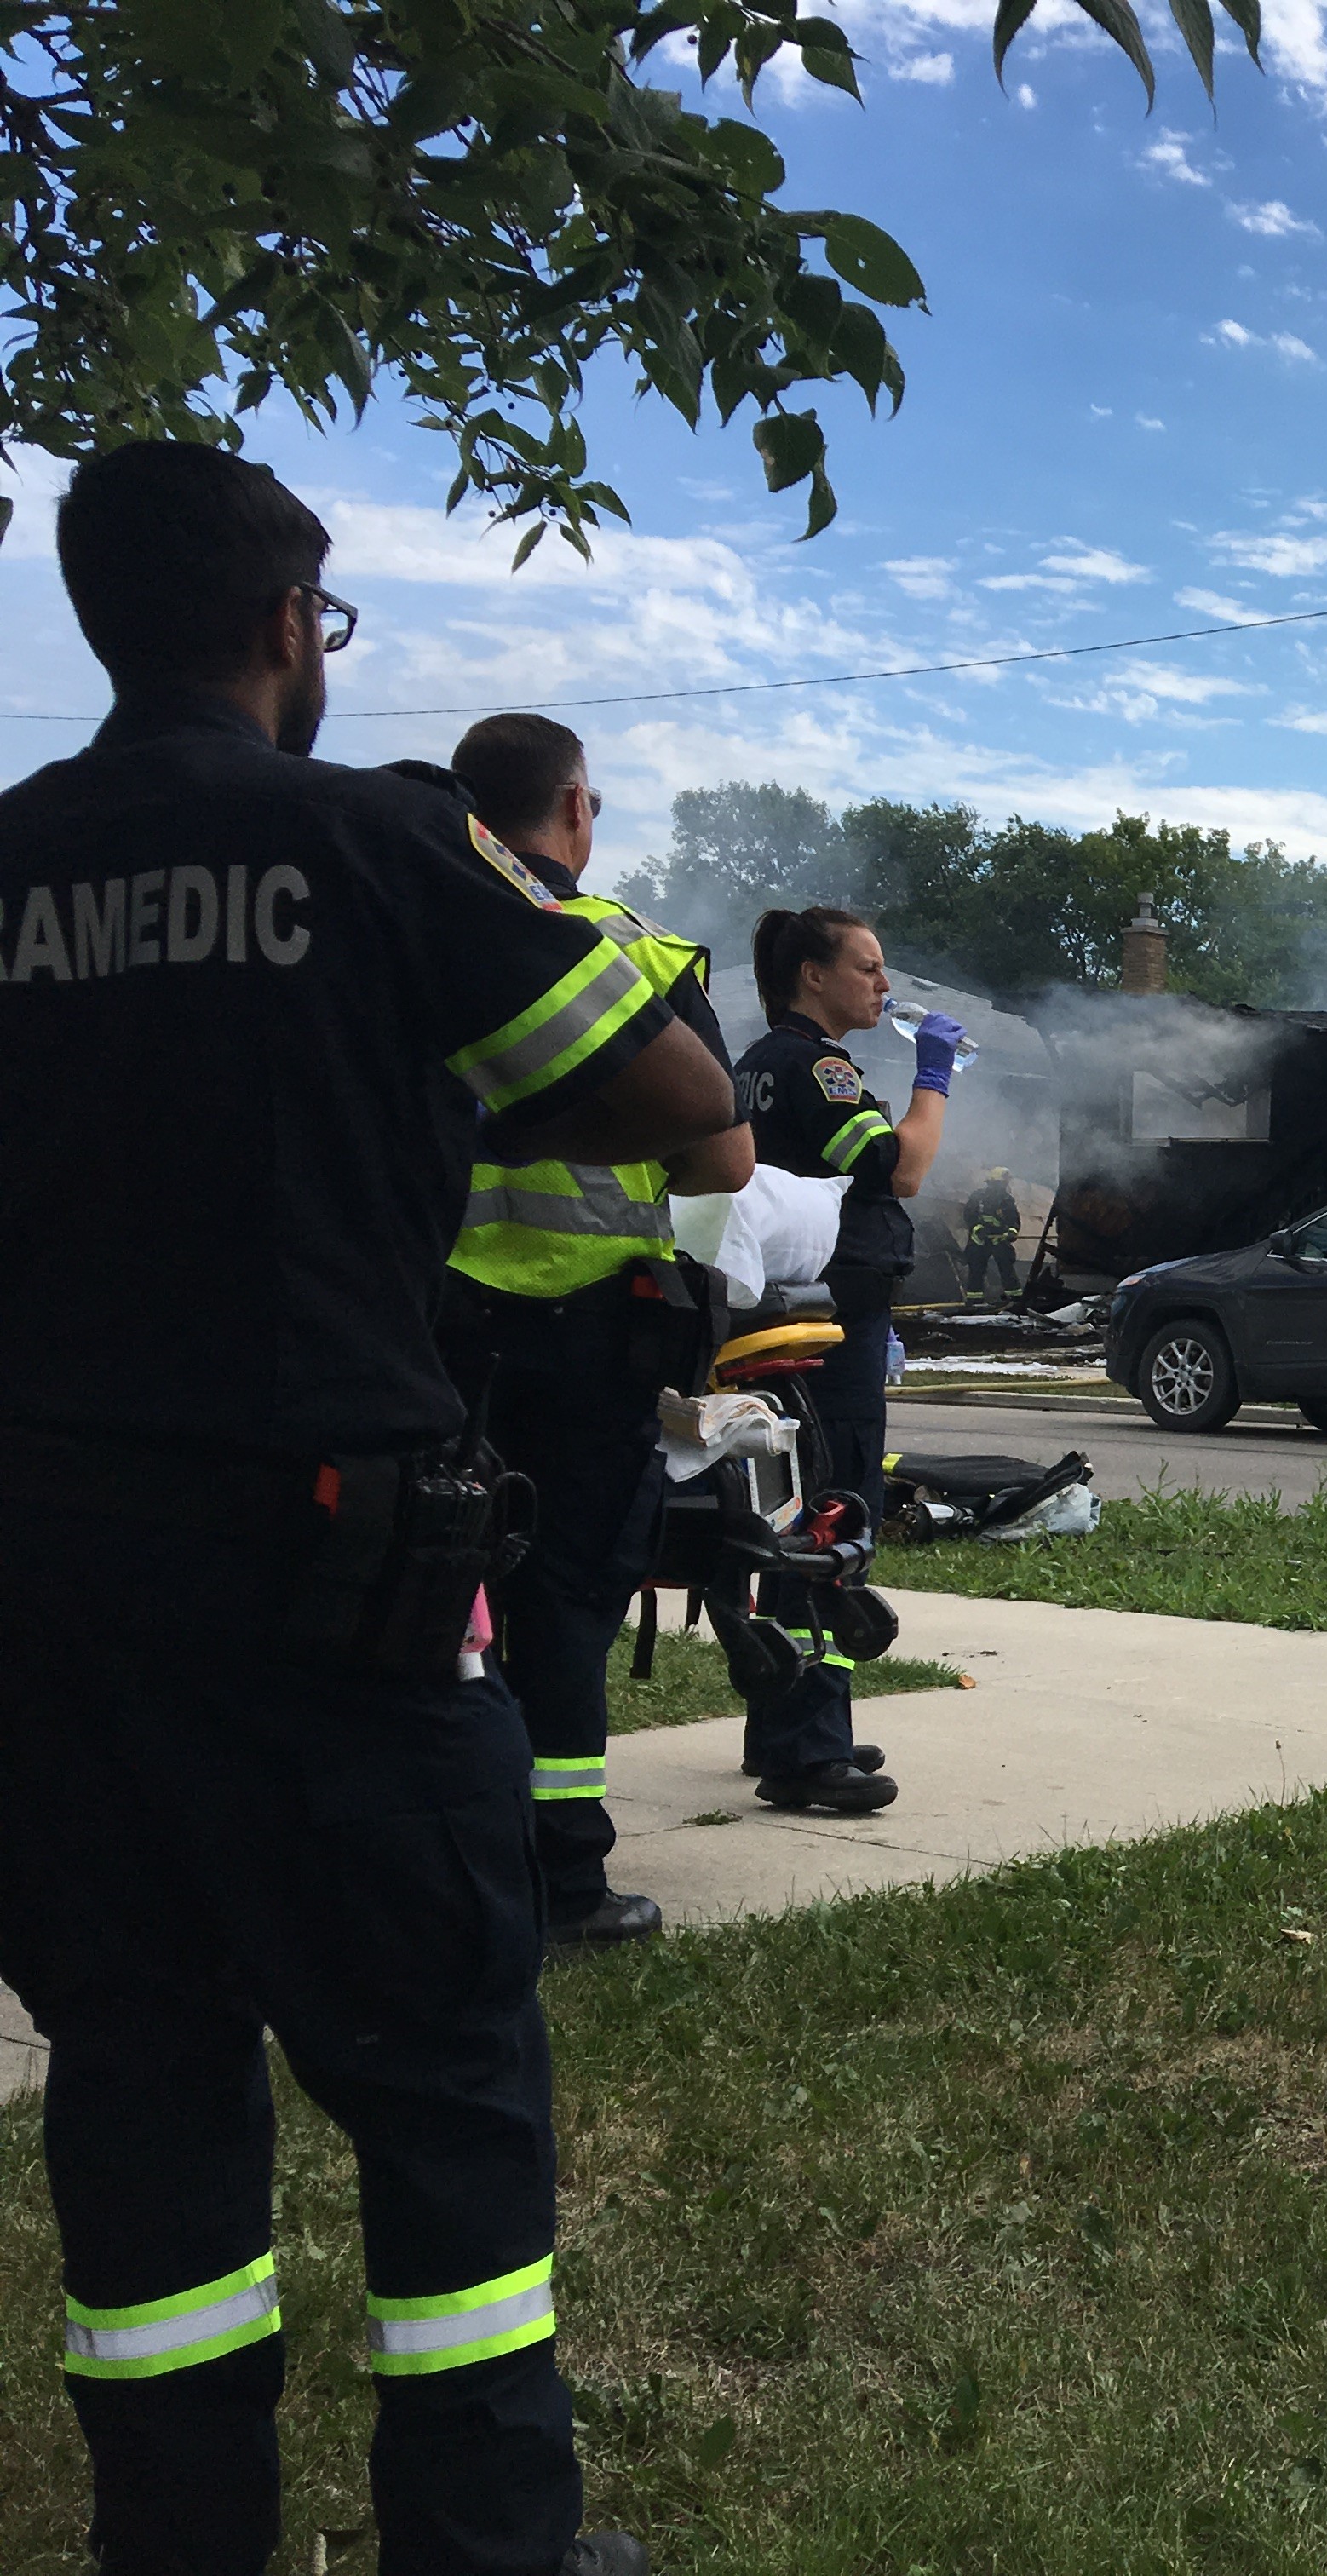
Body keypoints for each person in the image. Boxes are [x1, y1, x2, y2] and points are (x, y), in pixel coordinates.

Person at [0, 444, 731, 2574]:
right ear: (283, 626)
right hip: (334, 1599)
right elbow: (691, 1119)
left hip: (49, 1612)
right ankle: (492, 2546)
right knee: (445, 2113)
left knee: (137, 2109)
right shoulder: (369, 848)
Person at [439, 711, 754, 1952]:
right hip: (589, 1343)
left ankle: (429, 1861)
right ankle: (564, 1880)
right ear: (578, 811)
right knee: (565, 1609)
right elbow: (725, 1158)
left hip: (435, 1334)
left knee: (427, 1600)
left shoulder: (416, 945)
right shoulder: (640, 957)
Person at [733, 909, 965, 1814]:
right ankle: (806, 1751)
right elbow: (898, 1169)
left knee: (784, 1519)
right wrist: (936, 1077)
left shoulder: (756, 1063)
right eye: (867, 967)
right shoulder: (817, 1065)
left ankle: (785, 1722)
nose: (884, 984)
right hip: (828, 1329)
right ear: (813, 976)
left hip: (788, 1317)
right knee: (831, 1522)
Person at [962, 1164, 1023, 1299]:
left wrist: (1012, 1232)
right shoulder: (978, 1197)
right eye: (1002, 1183)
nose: (1004, 1187)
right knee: (976, 1269)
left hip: (999, 1238)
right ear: (993, 1183)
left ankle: (1015, 1298)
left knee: (1007, 1267)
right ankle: (974, 1300)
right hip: (980, 1239)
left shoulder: (1007, 1200)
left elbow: (1014, 1220)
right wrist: (979, 1229)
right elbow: (969, 1216)